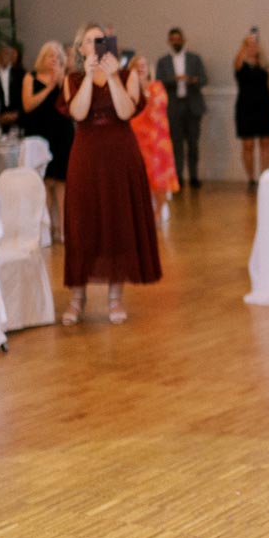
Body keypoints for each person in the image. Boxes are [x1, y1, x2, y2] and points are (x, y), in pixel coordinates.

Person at [57, 23, 161, 325]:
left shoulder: (127, 76)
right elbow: (78, 113)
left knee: (118, 221)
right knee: (81, 223)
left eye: (100, 40)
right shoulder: (73, 79)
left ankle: (116, 297)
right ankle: (78, 297)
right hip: (86, 154)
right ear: (81, 49)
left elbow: (126, 112)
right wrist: (90, 77)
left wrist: (113, 75)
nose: (96, 44)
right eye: (89, 41)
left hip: (120, 154)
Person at [20, 40, 74, 243]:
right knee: (44, 181)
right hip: (40, 134)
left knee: (62, 181)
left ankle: (63, 229)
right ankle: (47, 229)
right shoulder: (30, 77)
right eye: (50, 55)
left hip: (62, 132)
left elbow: (70, 104)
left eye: (57, 56)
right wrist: (48, 87)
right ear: (42, 57)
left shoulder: (64, 78)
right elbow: (28, 105)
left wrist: (59, 81)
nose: (53, 59)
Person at [155, 27, 207, 188]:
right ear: (169, 41)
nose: (176, 41)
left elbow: (204, 79)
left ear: (183, 40)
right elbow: (159, 82)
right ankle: (177, 176)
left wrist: (191, 80)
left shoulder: (194, 59)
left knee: (193, 143)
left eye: (179, 38)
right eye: (173, 39)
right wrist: (174, 80)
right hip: (173, 106)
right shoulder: (163, 61)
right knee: (176, 144)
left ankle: (193, 176)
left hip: (192, 105)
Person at [128, 54, 179, 219]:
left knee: (160, 179)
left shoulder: (157, 86)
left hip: (157, 140)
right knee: (139, 178)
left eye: (143, 65)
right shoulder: (127, 88)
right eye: (137, 65)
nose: (141, 68)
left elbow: (160, 107)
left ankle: (157, 214)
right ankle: (141, 214)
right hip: (136, 138)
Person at [233, 28, 269, 191]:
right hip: (246, 107)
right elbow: (237, 64)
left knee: (265, 143)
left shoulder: (263, 64)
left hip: (264, 106)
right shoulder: (240, 63)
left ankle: (263, 177)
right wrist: (245, 45)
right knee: (248, 144)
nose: (253, 47)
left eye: (255, 44)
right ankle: (251, 179)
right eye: (250, 44)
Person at [0, 42, 25, 133]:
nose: (7, 56)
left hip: (17, 121)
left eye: (9, 54)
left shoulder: (21, 74)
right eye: (4, 53)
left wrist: (16, 114)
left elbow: (25, 98)